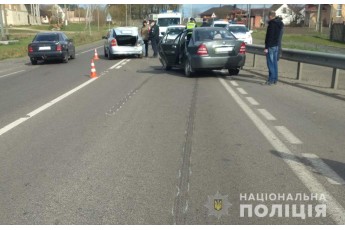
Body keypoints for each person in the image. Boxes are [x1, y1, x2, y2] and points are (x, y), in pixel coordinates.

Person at [263, 11, 284, 85]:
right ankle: (275, 79)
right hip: (276, 46)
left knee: (270, 63)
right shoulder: (279, 24)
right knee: (274, 63)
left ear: (270, 16)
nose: (268, 18)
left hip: (270, 46)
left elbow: (269, 36)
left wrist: (266, 47)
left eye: (268, 16)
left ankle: (271, 79)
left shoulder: (272, 24)